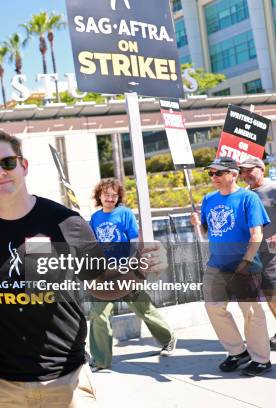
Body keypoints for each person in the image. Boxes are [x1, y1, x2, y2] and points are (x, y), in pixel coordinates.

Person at [0, 130, 166, 407]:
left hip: (66, 379)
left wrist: (139, 269)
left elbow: (101, 284)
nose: (0, 172)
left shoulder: (66, 222)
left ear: (23, 165)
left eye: (8, 163)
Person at [190, 156, 272, 376]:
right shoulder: (208, 199)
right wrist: (198, 224)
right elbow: (208, 232)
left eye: (218, 173)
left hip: (245, 264)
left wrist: (246, 261)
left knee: (252, 312)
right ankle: (237, 351)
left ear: (233, 174)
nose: (213, 177)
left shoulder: (248, 198)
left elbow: (257, 234)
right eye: (211, 173)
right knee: (213, 307)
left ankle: (261, 359)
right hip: (216, 264)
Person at [88, 178, 176, 372]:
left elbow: (134, 241)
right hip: (104, 276)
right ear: (99, 196)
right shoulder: (95, 218)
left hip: (126, 273)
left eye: (114, 195)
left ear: (118, 197)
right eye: (106, 194)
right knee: (98, 314)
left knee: (143, 309)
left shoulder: (125, 213)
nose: (110, 198)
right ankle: (101, 360)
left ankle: (168, 338)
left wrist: (130, 264)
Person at [238, 156, 276, 351]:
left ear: (261, 168)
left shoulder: (273, 189)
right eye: (242, 172)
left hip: (273, 254)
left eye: (248, 170)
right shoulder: (245, 195)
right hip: (255, 254)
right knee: (269, 295)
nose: (245, 175)